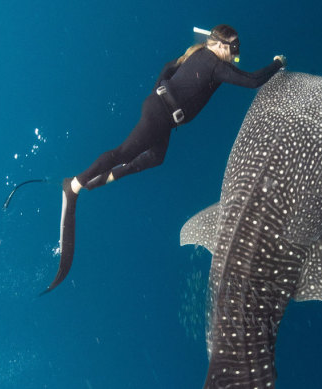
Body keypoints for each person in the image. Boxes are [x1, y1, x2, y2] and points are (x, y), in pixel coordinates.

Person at [42, 24, 287, 294]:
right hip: (160, 116)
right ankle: (74, 186)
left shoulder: (199, 53)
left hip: (163, 115)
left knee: (156, 157)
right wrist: (277, 63)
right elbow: (252, 81)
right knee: (123, 153)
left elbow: (168, 67)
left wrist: (159, 92)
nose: (236, 53)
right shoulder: (215, 65)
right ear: (220, 45)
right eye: (234, 48)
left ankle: (102, 179)